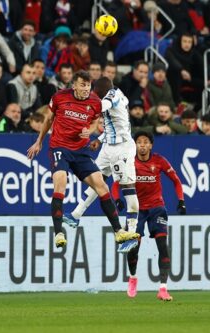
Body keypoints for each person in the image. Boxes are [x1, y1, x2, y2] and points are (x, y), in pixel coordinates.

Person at [26, 70, 139, 248]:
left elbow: (95, 120)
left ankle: (118, 232)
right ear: (74, 85)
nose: (85, 89)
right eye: (82, 85)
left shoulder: (95, 102)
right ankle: (58, 233)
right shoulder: (60, 97)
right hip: (60, 147)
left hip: (80, 150)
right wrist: (39, 142)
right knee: (60, 182)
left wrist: (91, 129)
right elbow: (49, 119)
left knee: (101, 185)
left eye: (88, 85)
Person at [61, 76, 140, 253]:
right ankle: (75, 215)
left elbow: (100, 107)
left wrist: (79, 107)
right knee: (96, 180)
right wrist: (100, 139)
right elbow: (116, 123)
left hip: (123, 148)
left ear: (101, 91)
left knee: (128, 189)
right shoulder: (113, 95)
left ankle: (132, 234)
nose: (93, 95)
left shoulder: (111, 96)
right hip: (108, 146)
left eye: (95, 92)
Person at [112, 130, 186, 301]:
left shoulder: (159, 161)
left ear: (151, 145)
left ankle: (163, 288)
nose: (143, 145)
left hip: (157, 208)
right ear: (135, 145)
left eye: (146, 142)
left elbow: (176, 180)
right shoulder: (129, 162)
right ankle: (133, 277)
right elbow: (115, 185)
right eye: (139, 142)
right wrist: (117, 200)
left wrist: (181, 200)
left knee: (162, 246)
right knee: (133, 247)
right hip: (136, 211)